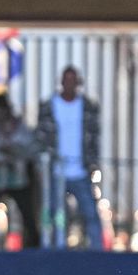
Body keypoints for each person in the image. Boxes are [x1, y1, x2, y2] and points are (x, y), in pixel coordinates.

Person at [36, 64, 102, 250]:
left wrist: (92, 163)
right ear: (61, 82)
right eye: (67, 80)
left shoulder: (88, 107)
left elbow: (94, 137)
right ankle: (54, 249)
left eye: (74, 81)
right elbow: (41, 137)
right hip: (56, 170)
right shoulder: (49, 106)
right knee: (55, 214)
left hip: (80, 170)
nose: (70, 84)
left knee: (90, 214)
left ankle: (98, 251)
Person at [0, 92, 38, 249]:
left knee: (28, 217)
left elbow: (30, 148)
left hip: (18, 179)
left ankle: (33, 246)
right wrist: (2, 157)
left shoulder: (19, 127)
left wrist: (13, 151)